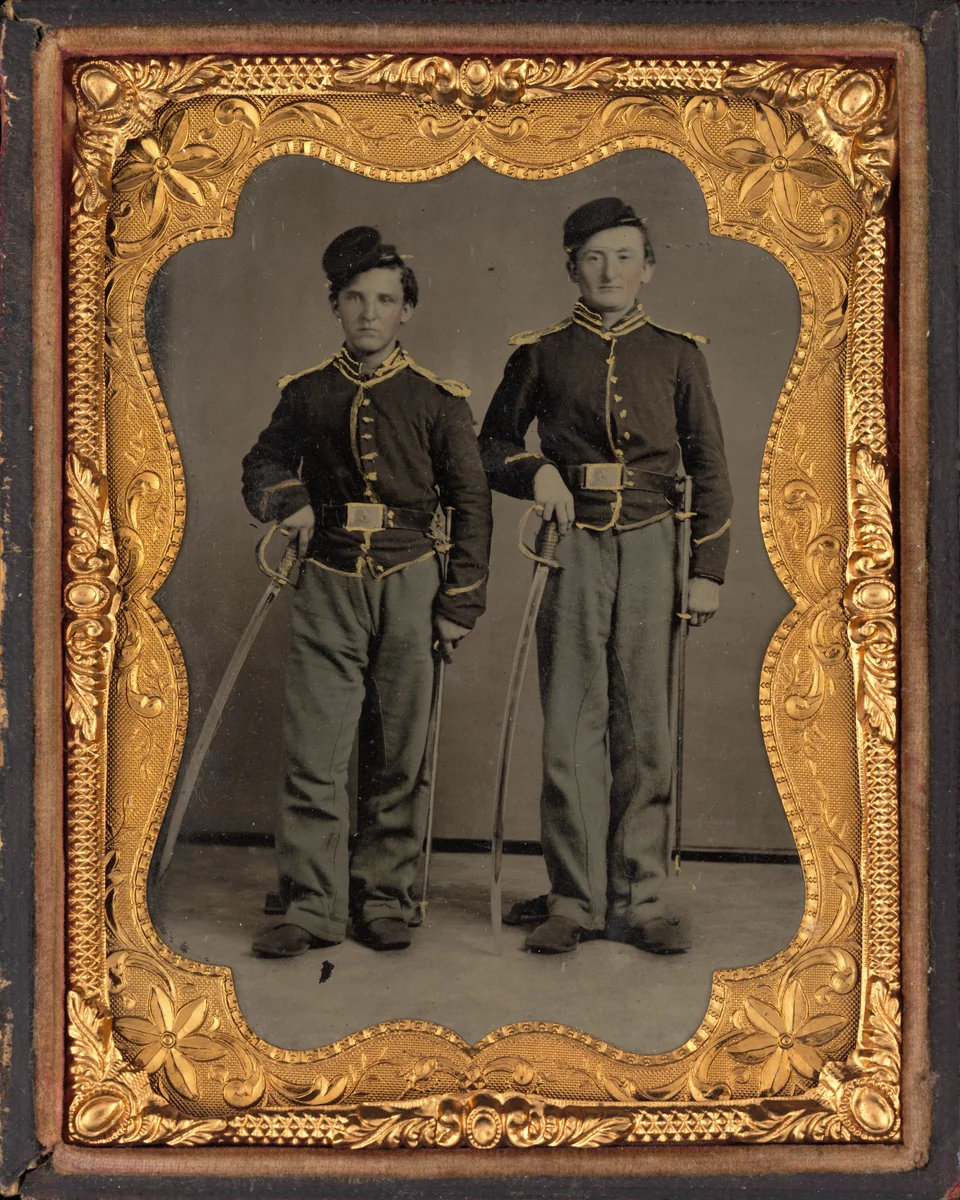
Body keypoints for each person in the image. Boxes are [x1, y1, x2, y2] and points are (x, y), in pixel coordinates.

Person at [479, 197, 732, 955]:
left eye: (625, 256)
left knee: (645, 729)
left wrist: (708, 572)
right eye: (594, 257)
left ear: (647, 268)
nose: (610, 270)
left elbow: (712, 468)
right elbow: (491, 442)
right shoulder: (542, 352)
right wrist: (537, 475)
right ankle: (575, 899)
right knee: (572, 726)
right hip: (574, 545)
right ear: (572, 269)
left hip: (657, 545)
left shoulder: (680, 354)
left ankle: (642, 899)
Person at [242, 226, 492, 956]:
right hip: (327, 580)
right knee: (315, 752)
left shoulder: (438, 402)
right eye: (355, 299)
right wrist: (288, 500)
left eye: (385, 299)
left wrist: (460, 604)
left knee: (399, 754)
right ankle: (313, 906)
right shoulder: (308, 394)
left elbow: (472, 504)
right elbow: (261, 460)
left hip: (414, 584)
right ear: (337, 306)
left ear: (406, 311)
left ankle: (385, 896)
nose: (370, 313)